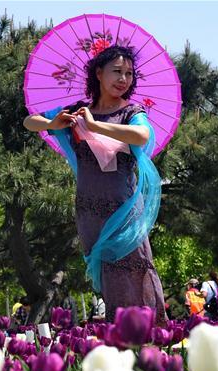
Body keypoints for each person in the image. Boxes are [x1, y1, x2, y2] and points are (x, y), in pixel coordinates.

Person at [23, 45, 167, 323]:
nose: (123, 79)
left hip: (123, 206)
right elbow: (29, 121)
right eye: (116, 71)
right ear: (98, 73)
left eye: (128, 73)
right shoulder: (78, 110)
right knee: (108, 271)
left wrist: (96, 126)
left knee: (136, 265)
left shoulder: (131, 112)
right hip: (88, 207)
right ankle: (120, 333)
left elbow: (142, 135)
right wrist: (54, 122)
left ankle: (148, 334)